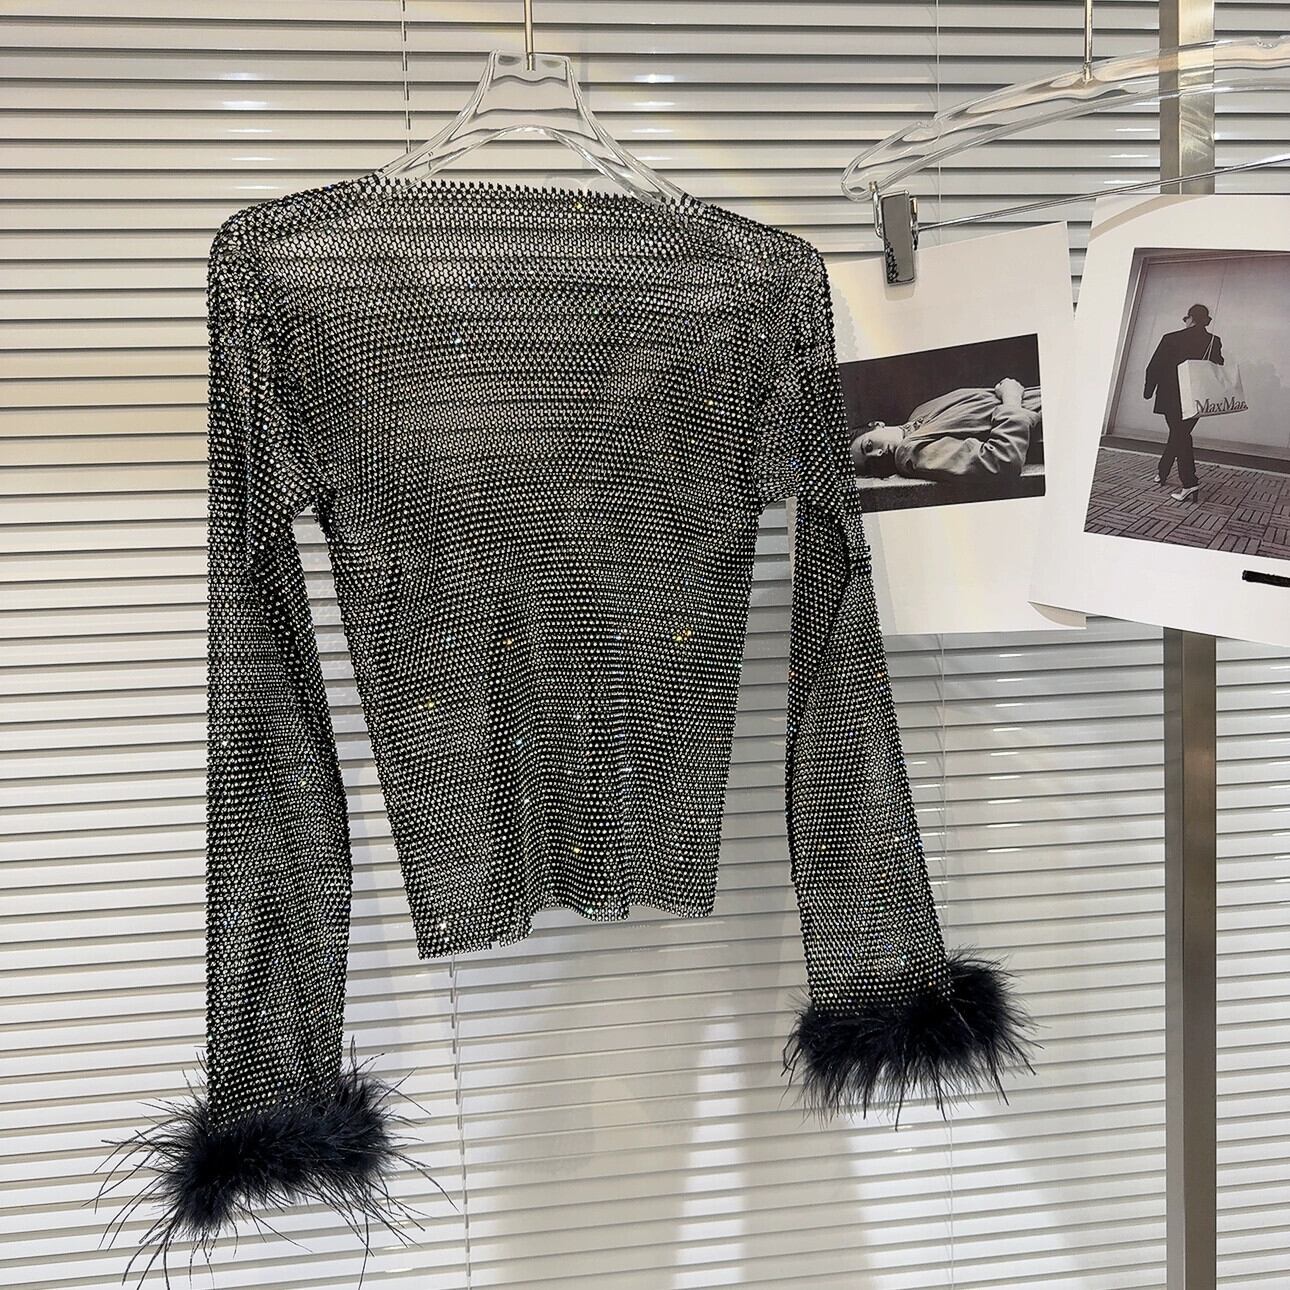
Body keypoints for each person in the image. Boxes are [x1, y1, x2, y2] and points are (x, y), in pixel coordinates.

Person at [850, 377, 1041, 484]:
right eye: (871, 465)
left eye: (868, 446)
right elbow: (1001, 460)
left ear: (877, 424)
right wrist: (1011, 398)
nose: (878, 454)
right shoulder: (908, 453)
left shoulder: (920, 411)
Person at [1143, 302, 1223, 503]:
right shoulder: (1213, 341)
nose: (1185, 322)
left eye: (1186, 318)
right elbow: (1218, 364)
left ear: (1191, 318)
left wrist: (1148, 391)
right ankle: (1162, 472)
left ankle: (1189, 482)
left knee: (1180, 435)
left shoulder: (1171, 338)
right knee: (1179, 434)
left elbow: (1154, 366)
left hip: (1170, 396)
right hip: (1196, 398)